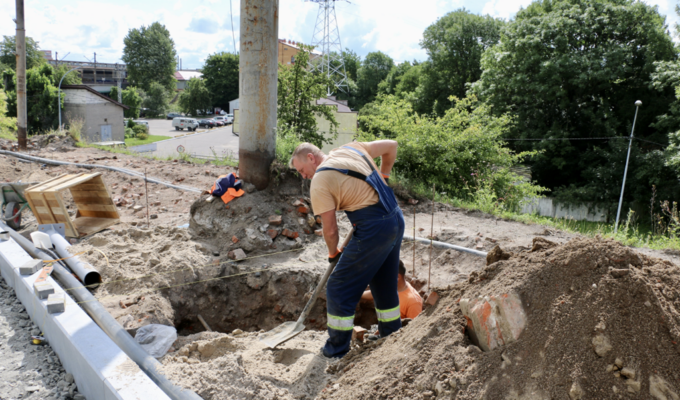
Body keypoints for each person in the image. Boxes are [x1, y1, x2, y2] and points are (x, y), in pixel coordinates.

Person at [290, 140, 405, 358]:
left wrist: (333, 253)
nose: (303, 176)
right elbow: (392, 145)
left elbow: (330, 230)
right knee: (383, 283)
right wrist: (385, 175)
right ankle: (390, 335)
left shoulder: (320, 179)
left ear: (311, 158)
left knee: (338, 286)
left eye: (302, 170)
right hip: (395, 219)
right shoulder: (351, 149)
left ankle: (336, 349)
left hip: (374, 228)